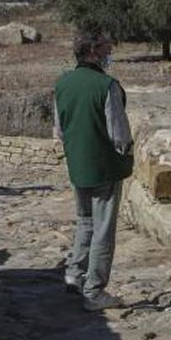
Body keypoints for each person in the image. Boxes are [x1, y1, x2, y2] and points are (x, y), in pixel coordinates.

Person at [54, 32, 134, 311]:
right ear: (93, 52)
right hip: (105, 167)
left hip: (78, 165)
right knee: (103, 229)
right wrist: (126, 156)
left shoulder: (62, 84)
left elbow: (59, 129)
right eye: (106, 48)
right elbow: (119, 134)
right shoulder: (107, 86)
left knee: (84, 221)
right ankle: (95, 290)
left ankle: (74, 275)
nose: (109, 52)